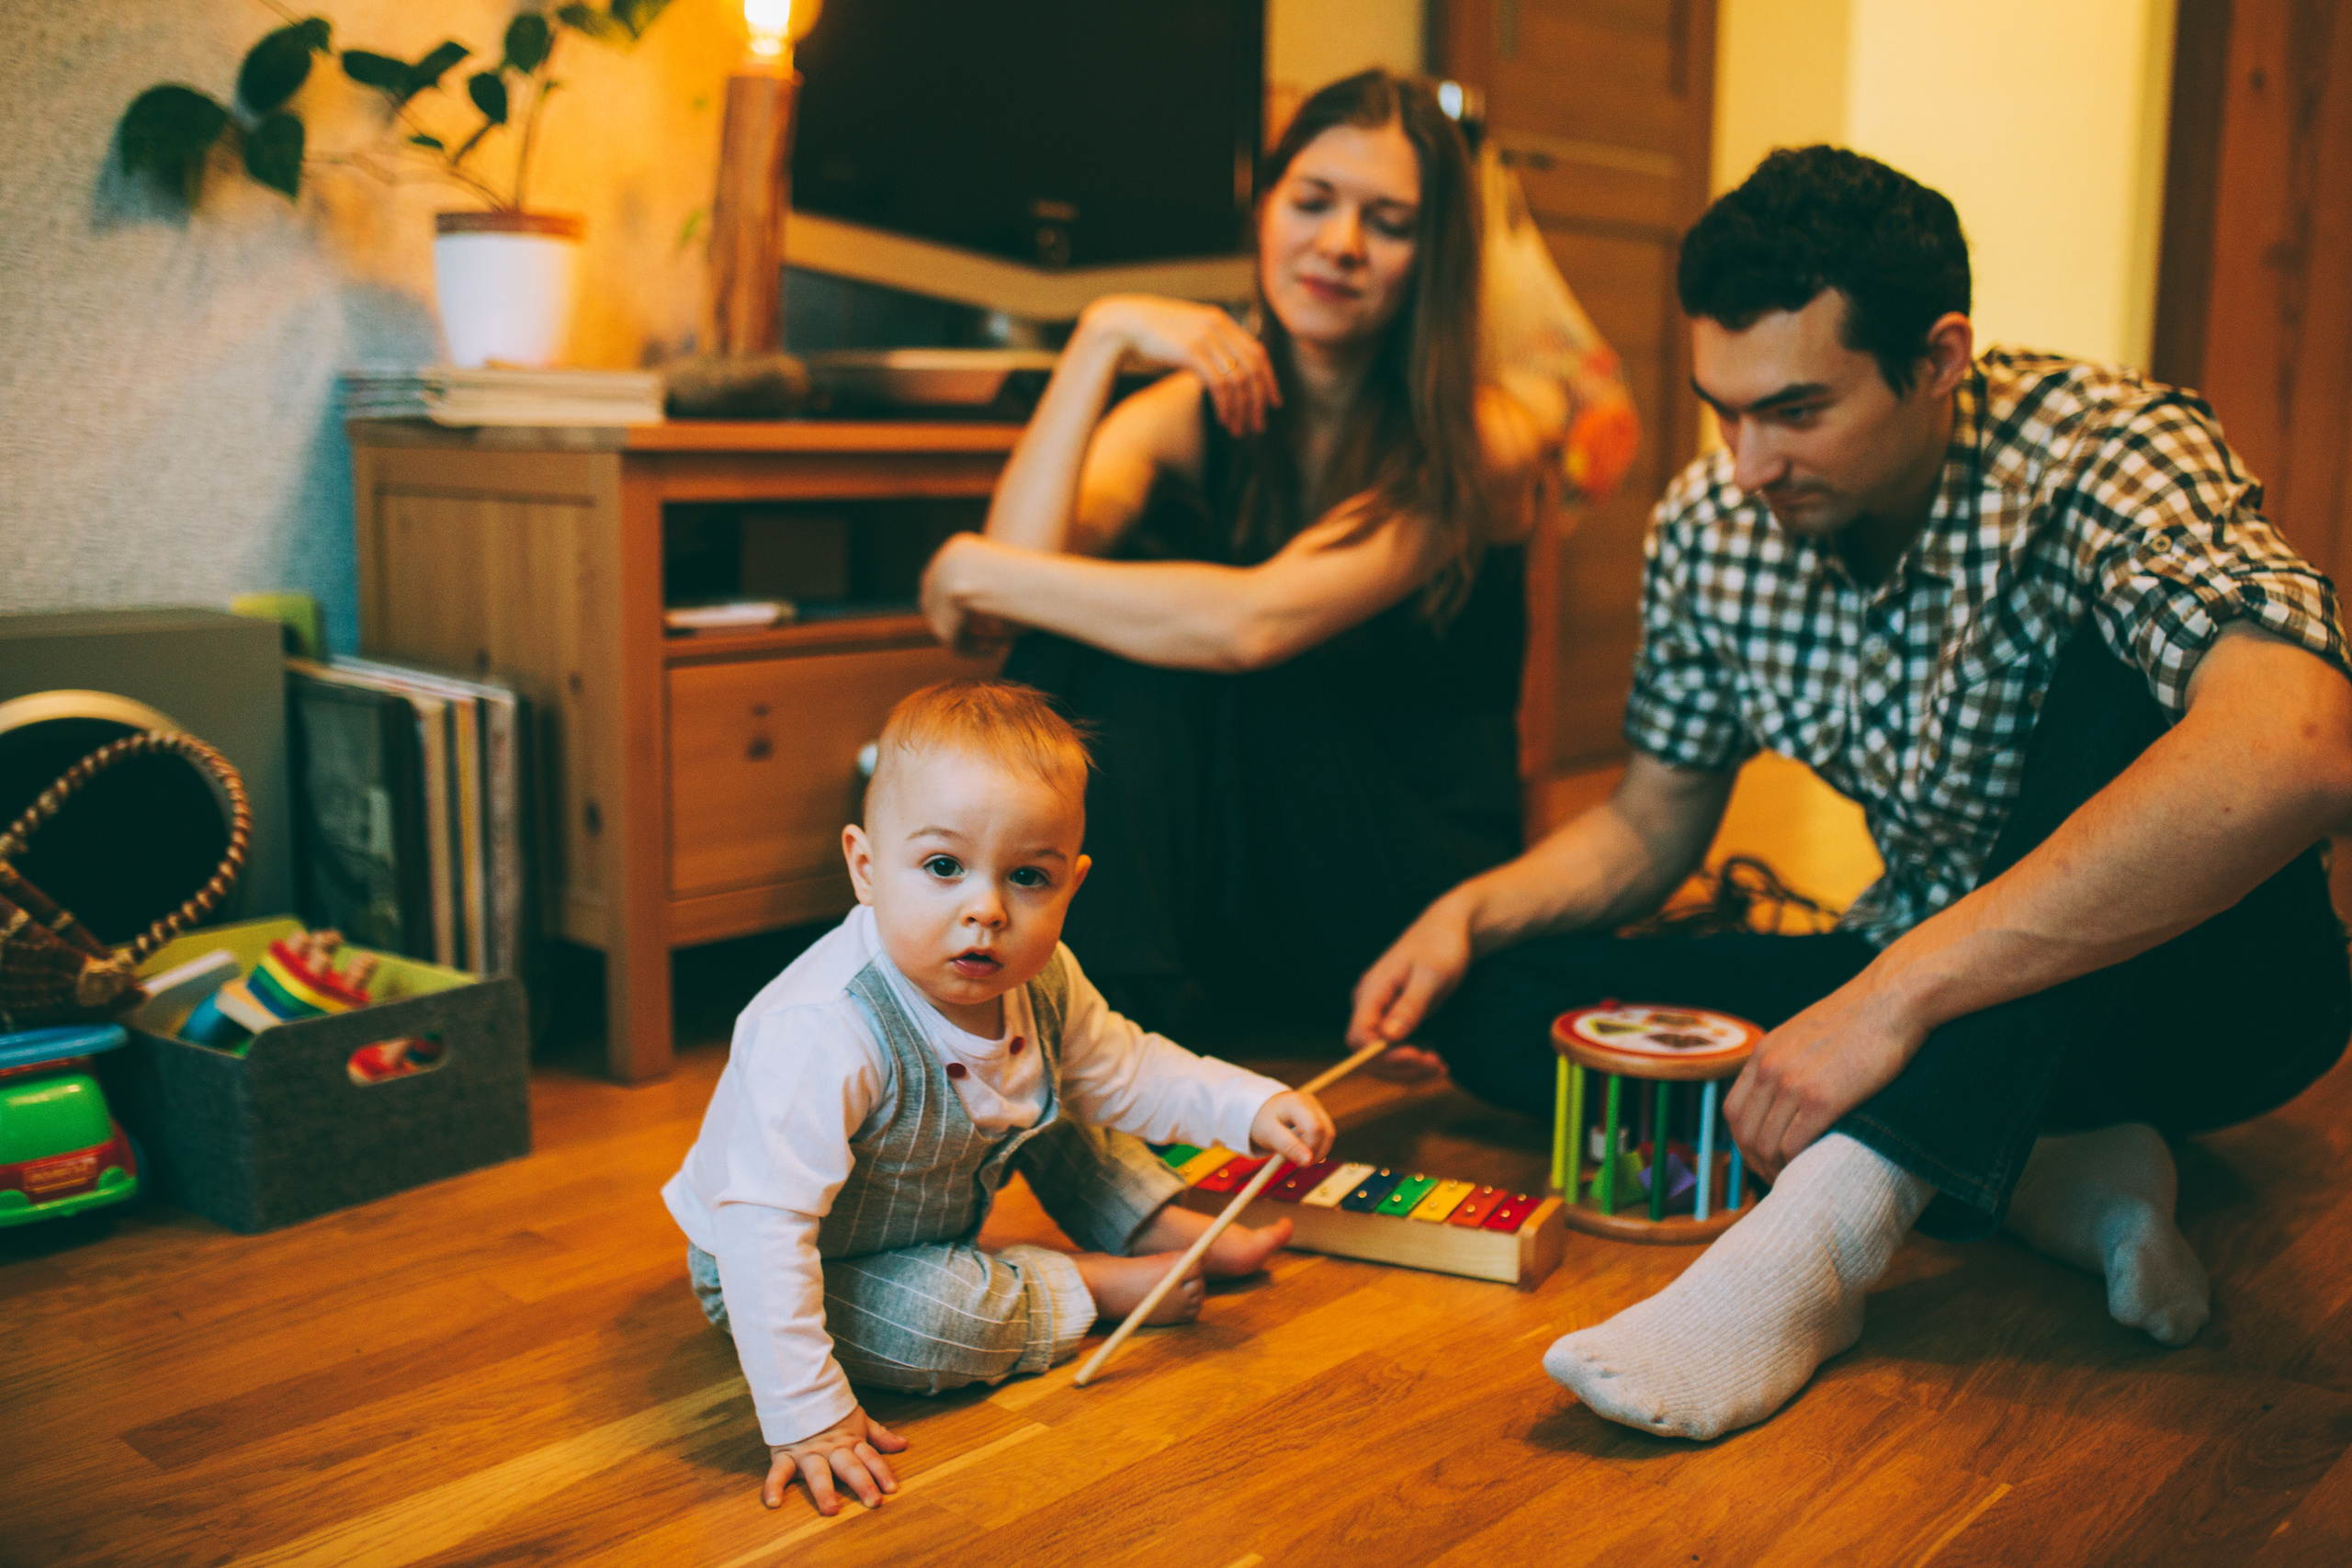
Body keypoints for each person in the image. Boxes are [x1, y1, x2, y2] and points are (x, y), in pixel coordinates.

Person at [1348, 145, 2352, 1440]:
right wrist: (1471, 912)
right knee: (1504, 1007)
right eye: (1722, 407)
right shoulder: (1716, 518)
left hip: (2202, 994)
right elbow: (1653, 823)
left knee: (2139, 665)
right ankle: (2048, 1162)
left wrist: (1890, 995)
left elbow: (2301, 745)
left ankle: (1824, 1238)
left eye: (1797, 410)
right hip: (1935, 983)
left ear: (1938, 359)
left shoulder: (2106, 446)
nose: (1748, 460)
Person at [918, 70, 1578, 1040]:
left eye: (1388, 222)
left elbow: (1250, 624)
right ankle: (1086, 1030)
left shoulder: (1483, 438)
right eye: (1311, 203)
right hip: (1252, 876)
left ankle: (1087, 1039)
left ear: (1433, 255)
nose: (1340, 245)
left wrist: (970, 567)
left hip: (1408, 889)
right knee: (1098, 640)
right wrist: (1099, 339)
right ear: (1264, 212)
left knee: (1164, 638)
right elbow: (1023, 605)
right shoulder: (1194, 414)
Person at [662, 680, 1337, 1515]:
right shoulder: (822, 1028)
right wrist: (808, 1418)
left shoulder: (1043, 980)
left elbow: (1127, 1070)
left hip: (928, 1203)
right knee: (941, 1322)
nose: (985, 909)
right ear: (866, 866)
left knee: (1064, 1088)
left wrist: (1249, 1105)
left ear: (1072, 884)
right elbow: (764, 1232)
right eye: (943, 867)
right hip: (783, 1258)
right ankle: (1092, 1283)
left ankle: (1153, 1221)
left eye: (1026, 876)